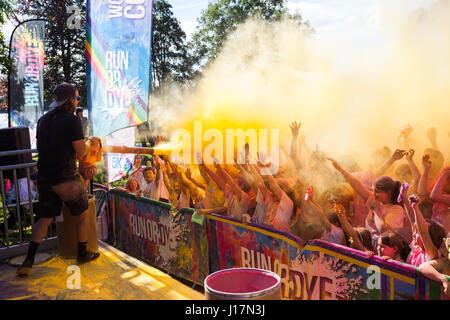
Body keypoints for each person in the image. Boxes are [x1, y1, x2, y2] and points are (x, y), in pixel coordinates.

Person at [17, 82, 100, 276]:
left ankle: (28, 260)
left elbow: (41, 148)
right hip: (66, 177)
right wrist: (91, 145)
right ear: (70, 100)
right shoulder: (72, 120)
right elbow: (80, 152)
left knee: (44, 219)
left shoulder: (43, 120)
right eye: (77, 97)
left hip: (45, 176)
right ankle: (82, 253)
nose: (78, 100)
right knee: (83, 213)